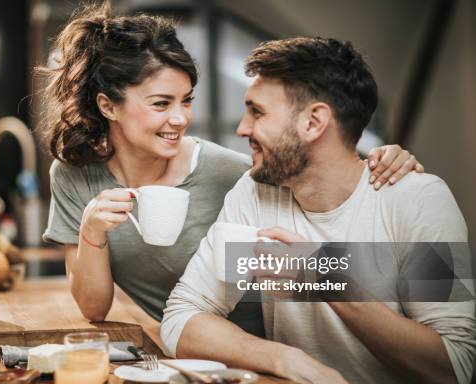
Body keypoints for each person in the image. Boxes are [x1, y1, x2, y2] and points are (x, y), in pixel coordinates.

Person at [40, 3, 423, 333]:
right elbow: (96, 309)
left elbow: (330, 197)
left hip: (262, 345)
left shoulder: (236, 175)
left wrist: (377, 164)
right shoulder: (75, 176)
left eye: (186, 101)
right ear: (108, 106)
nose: (180, 118)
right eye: (161, 104)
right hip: (186, 347)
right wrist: (91, 229)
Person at [160, 37, 475, 384]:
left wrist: (322, 275)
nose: (242, 129)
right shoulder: (256, 193)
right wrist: (283, 358)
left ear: (313, 122)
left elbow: (453, 373)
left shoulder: (418, 200)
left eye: (257, 112)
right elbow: (184, 315)